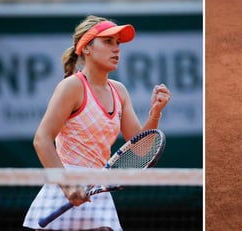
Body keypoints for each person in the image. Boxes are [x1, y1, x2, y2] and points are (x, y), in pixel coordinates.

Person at [23, 15, 171, 230]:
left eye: (118, 43)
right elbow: (42, 139)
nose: (116, 49)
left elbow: (141, 150)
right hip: (63, 187)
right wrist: (67, 185)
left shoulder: (119, 92)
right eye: (108, 42)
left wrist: (155, 113)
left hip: (97, 192)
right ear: (86, 48)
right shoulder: (72, 87)